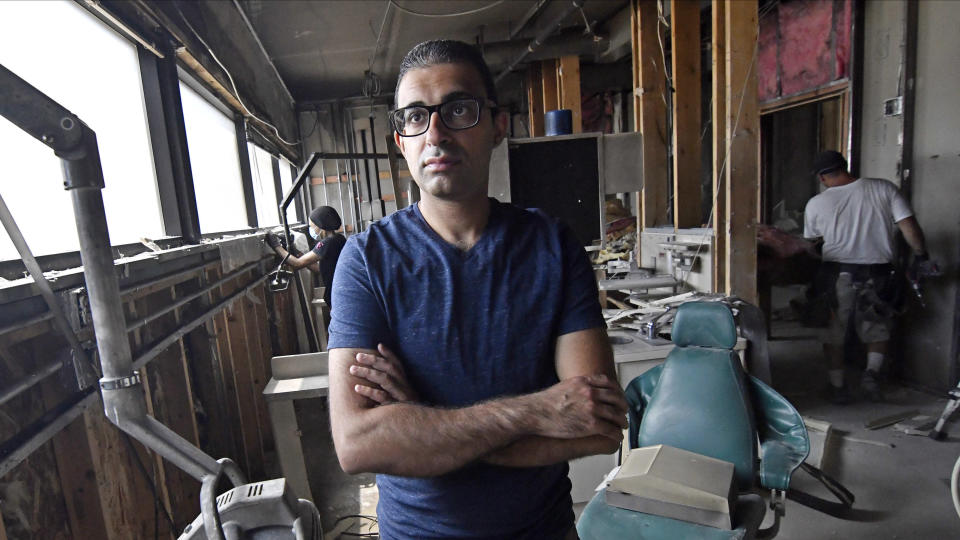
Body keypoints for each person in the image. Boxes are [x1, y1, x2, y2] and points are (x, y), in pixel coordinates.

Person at [326, 40, 627, 540]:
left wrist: (423, 423)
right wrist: (536, 410)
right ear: (401, 141)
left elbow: (597, 428)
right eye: (415, 117)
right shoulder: (366, 262)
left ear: (498, 126)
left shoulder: (552, 247)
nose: (436, 133)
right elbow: (357, 445)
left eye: (458, 109)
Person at [803, 150, 932, 403]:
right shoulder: (884, 188)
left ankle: (838, 387)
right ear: (845, 166)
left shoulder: (817, 203)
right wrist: (921, 256)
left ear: (822, 177)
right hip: (879, 272)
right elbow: (909, 227)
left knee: (832, 331)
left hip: (836, 274)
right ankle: (871, 376)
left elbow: (812, 244)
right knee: (877, 327)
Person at [266, 205, 346, 311]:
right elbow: (318, 269)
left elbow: (297, 264)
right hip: (342, 294)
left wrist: (276, 246)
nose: (311, 230)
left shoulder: (327, 243)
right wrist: (297, 253)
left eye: (312, 227)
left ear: (320, 225)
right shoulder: (340, 239)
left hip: (338, 296)